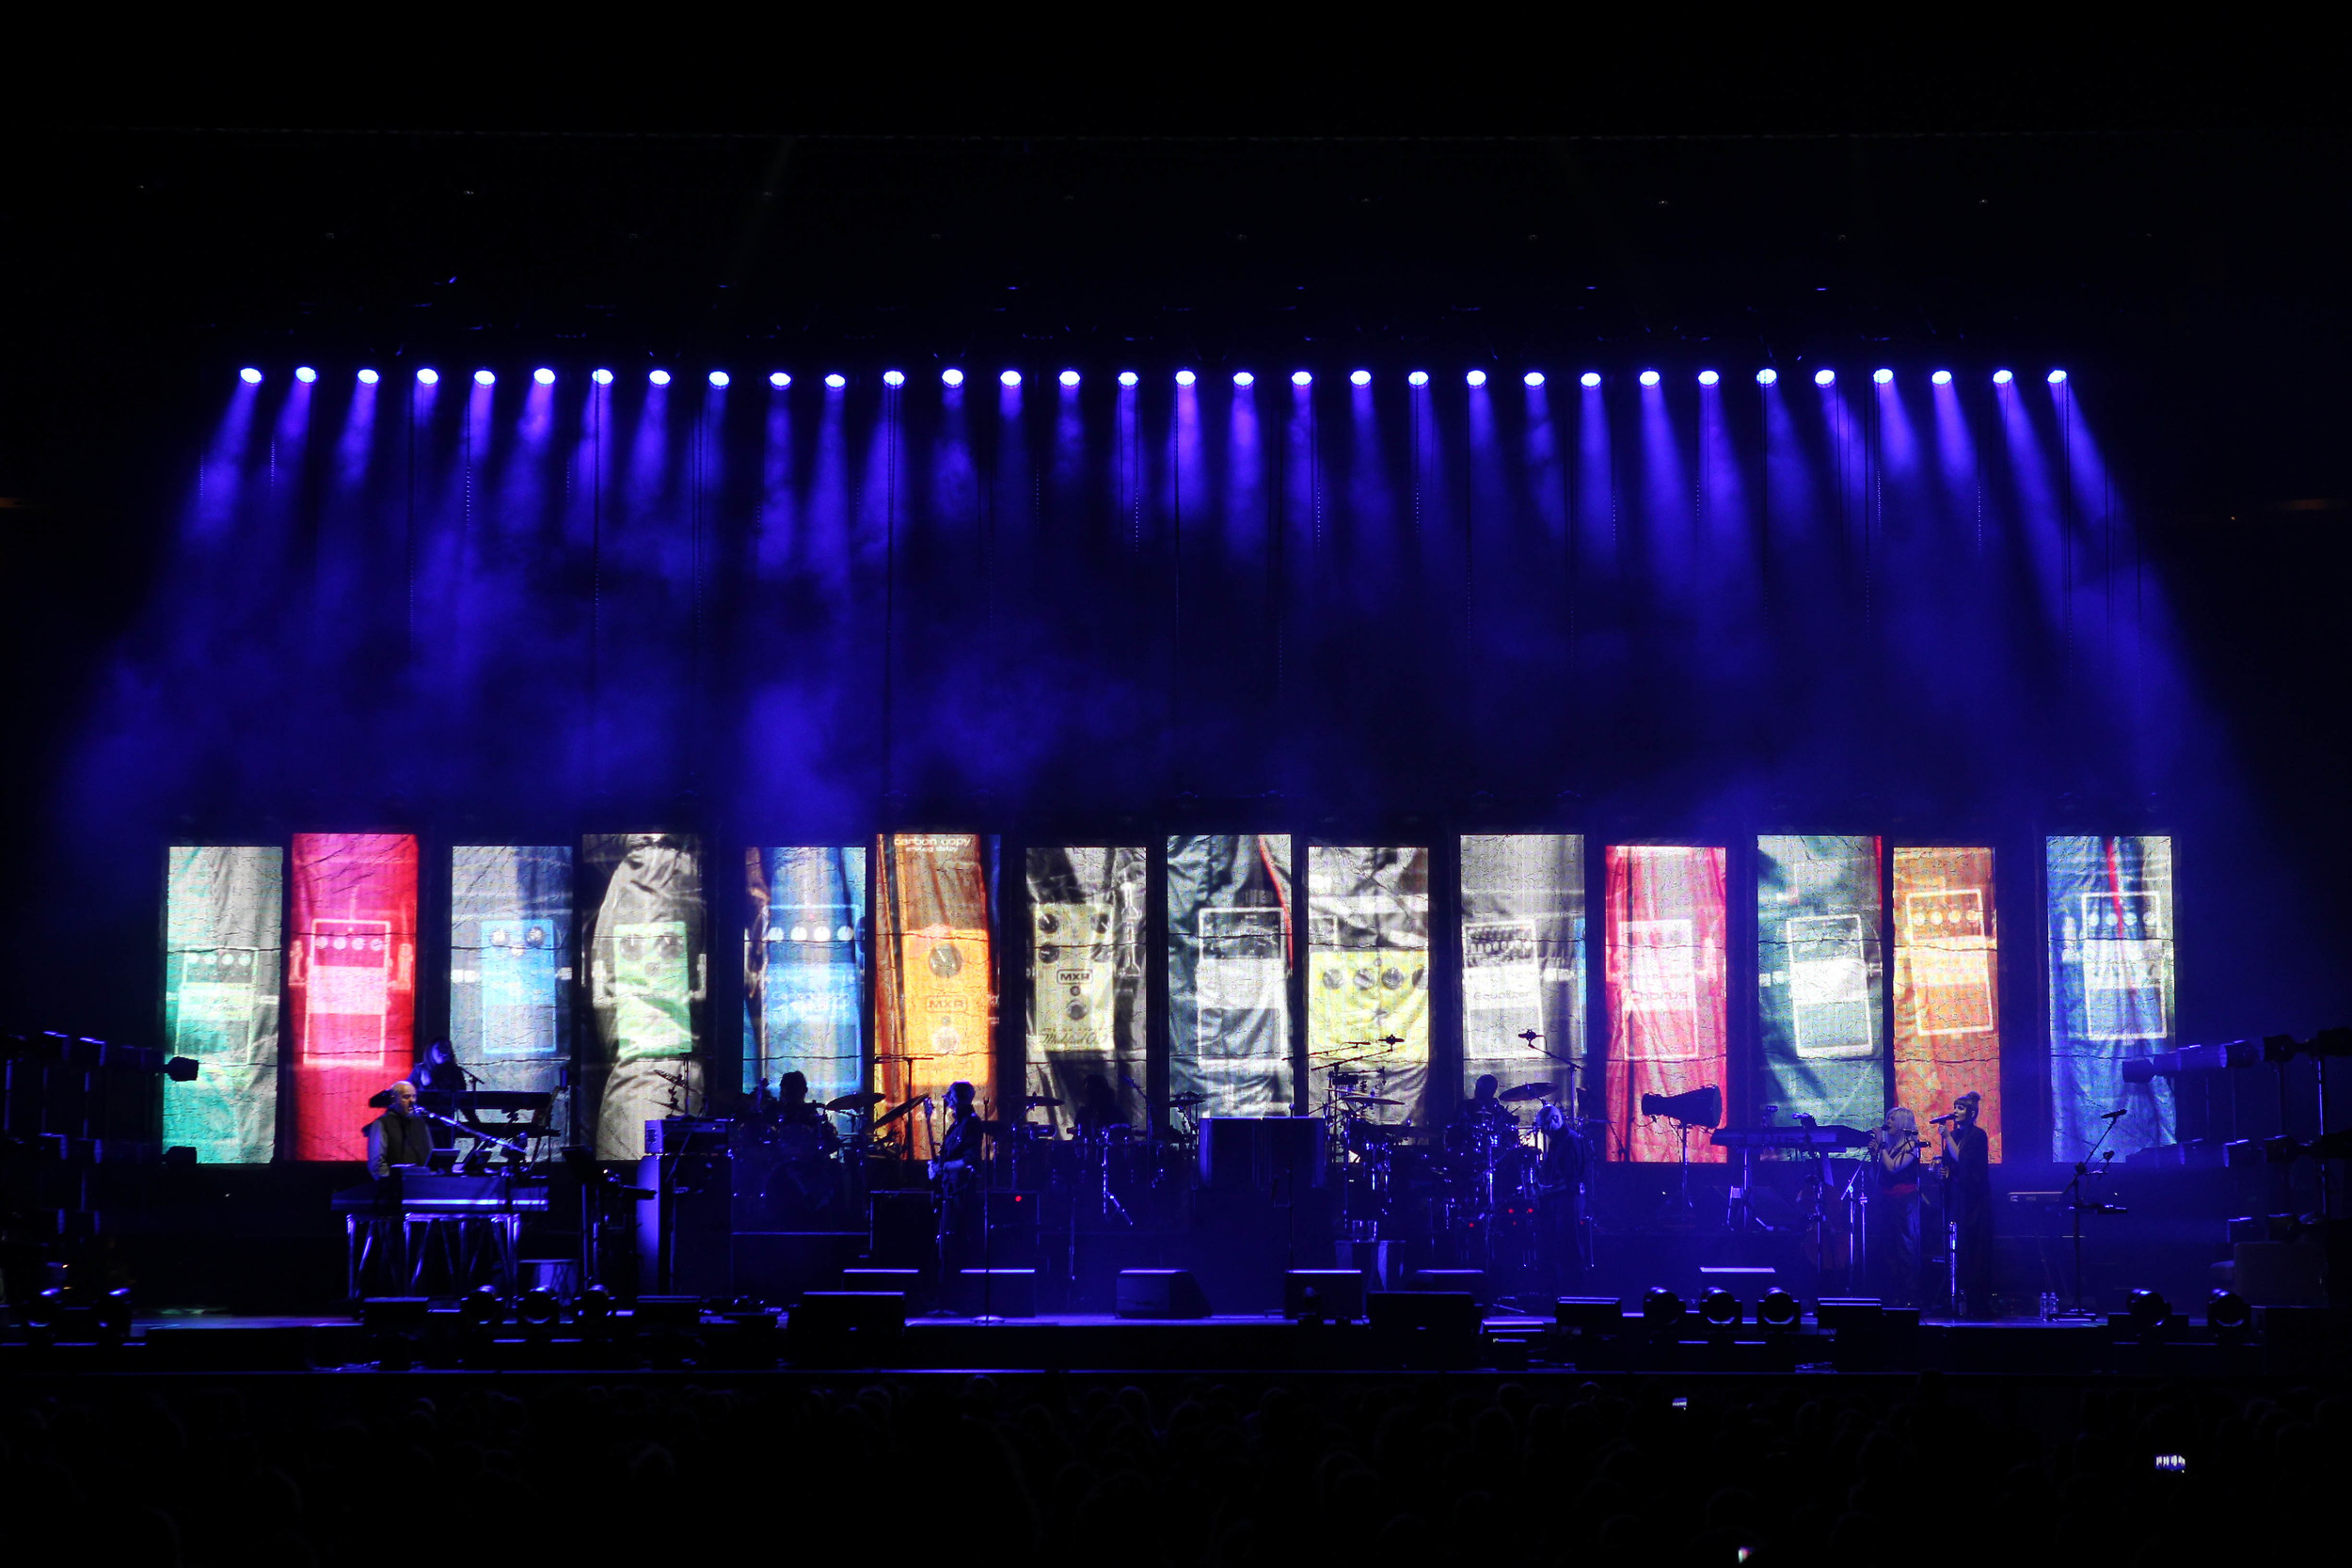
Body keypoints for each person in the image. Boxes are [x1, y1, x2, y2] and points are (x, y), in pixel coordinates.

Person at [1938, 1091, 1994, 1317]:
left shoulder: (1978, 1136)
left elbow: (1965, 1161)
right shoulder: (1954, 1135)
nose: (1955, 1112)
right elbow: (1951, 1163)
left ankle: (1977, 1301)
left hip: (1974, 1202)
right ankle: (1955, 1296)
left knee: (1974, 1248)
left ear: (1971, 1112)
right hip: (1957, 1198)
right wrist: (1945, 1172)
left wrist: (1948, 1139)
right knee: (1956, 1246)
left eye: (1960, 1108)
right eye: (1955, 1107)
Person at [1872, 1106, 1923, 1307]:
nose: (1888, 1123)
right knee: (1889, 1247)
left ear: (1902, 1123)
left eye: (1892, 1119)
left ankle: (1910, 1295)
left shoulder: (1912, 1145)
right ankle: (1892, 1293)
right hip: (1888, 1202)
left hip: (1905, 1202)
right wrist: (1874, 1155)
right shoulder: (1891, 1148)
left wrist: (1881, 1146)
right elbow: (1877, 1177)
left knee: (1905, 1247)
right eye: (1888, 1119)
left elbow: (1894, 1168)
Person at [365, 1081, 436, 1178]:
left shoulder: (420, 1123)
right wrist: (391, 1182)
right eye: (406, 1097)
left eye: (414, 1096)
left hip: (422, 1187)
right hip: (395, 1188)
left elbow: (430, 1156)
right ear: (394, 1099)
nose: (412, 1101)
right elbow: (376, 1164)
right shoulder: (383, 1123)